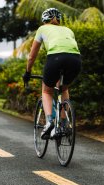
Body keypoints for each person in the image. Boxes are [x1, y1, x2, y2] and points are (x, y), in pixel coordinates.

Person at [22, 8, 81, 139]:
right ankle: (64, 123)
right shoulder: (68, 30)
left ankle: (50, 122)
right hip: (76, 60)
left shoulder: (42, 29)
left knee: (47, 91)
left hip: (56, 58)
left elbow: (32, 56)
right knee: (63, 87)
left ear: (44, 20)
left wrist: (27, 72)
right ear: (59, 20)